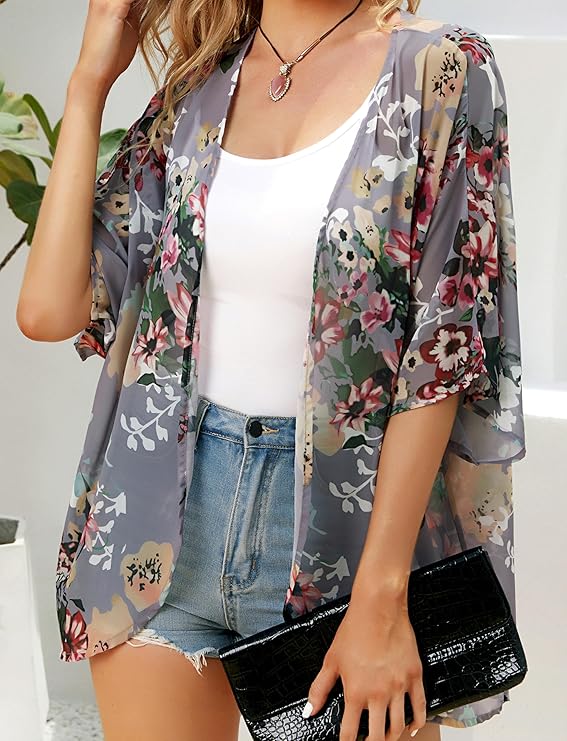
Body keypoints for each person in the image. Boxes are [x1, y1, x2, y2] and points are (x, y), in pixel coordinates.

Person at [16, 0, 526, 740]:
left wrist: (381, 596)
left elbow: (441, 352)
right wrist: (89, 81)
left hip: (349, 539)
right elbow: (47, 310)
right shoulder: (199, 86)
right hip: (160, 527)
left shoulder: (441, 69)